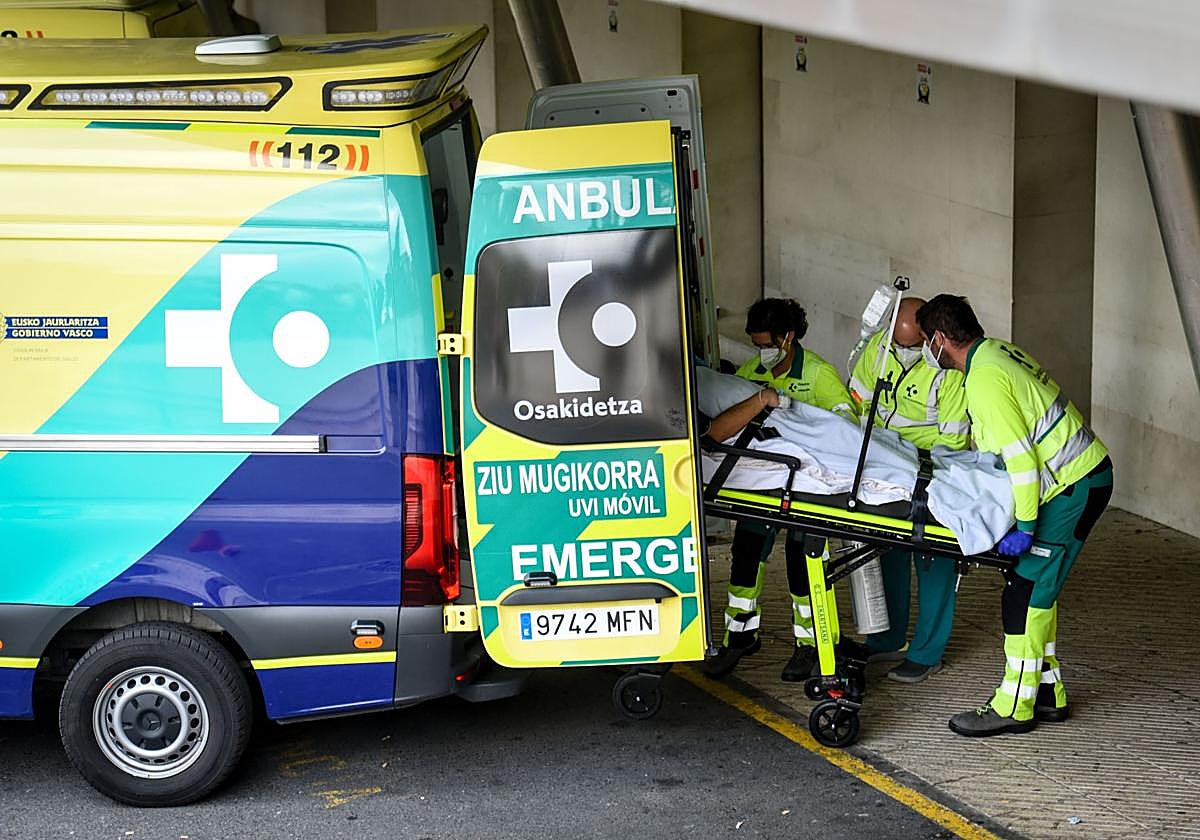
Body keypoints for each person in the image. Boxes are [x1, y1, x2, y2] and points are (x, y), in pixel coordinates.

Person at [915, 295, 1113, 736]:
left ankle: (1013, 705)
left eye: (928, 341)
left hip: (1072, 486)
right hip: (1081, 477)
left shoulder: (984, 379)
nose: (928, 350)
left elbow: (1023, 461)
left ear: (942, 339)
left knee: (1023, 592)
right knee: (1035, 589)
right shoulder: (999, 351)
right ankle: (1047, 692)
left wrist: (1024, 527)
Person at [704, 298, 857, 682]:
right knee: (745, 558)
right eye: (757, 345)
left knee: (802, 565)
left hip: (808, 489)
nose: (763, 353)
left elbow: (845, 431)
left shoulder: (820, 375)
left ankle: (811, 646)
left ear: (788, 338)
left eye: (767, 344)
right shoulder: (751, 372)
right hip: (762, 488)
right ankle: (739, 637)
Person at [848, 297, 970, 683]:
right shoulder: (877, 350)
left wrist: (901, 446)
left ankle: (927, 652)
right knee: (886, 553)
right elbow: (856, 405)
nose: (902, 353)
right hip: (881, 470)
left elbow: (953, 439)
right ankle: (886, 638)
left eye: (911, 347)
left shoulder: (947, 371)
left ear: (930, 340)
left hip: (933, 473)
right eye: (897, 345)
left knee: (934, 560)